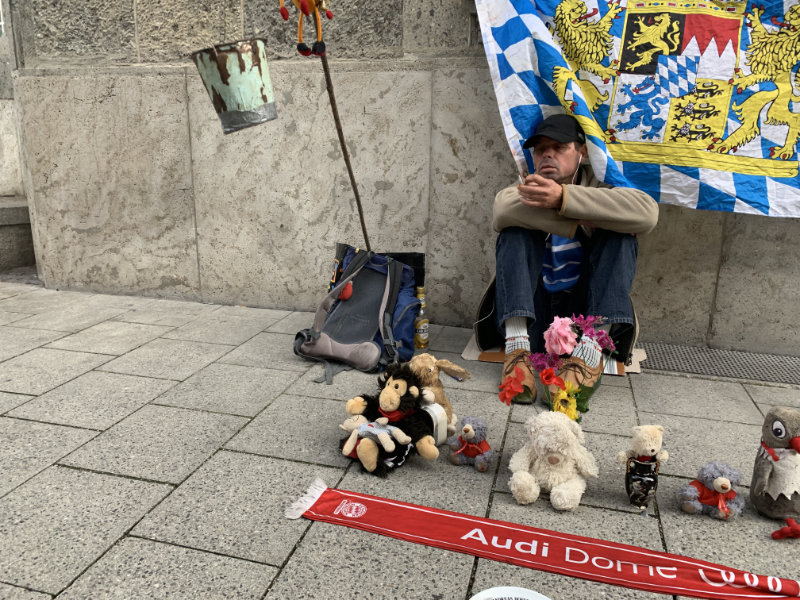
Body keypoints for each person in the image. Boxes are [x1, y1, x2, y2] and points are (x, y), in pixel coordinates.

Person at [492, 113, 658, 403]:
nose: (548, 154)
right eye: (540, 149)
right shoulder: (528, 184)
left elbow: (647, 214)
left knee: (620, 236)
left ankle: (589, 356)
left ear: (582, 152)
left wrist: (563, 199)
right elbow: (502, 210)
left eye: (559, 147)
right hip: (535, 317)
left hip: (584, 319)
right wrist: (581, 215)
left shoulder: (602, 184)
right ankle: (517, 351)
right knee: (514, 232)